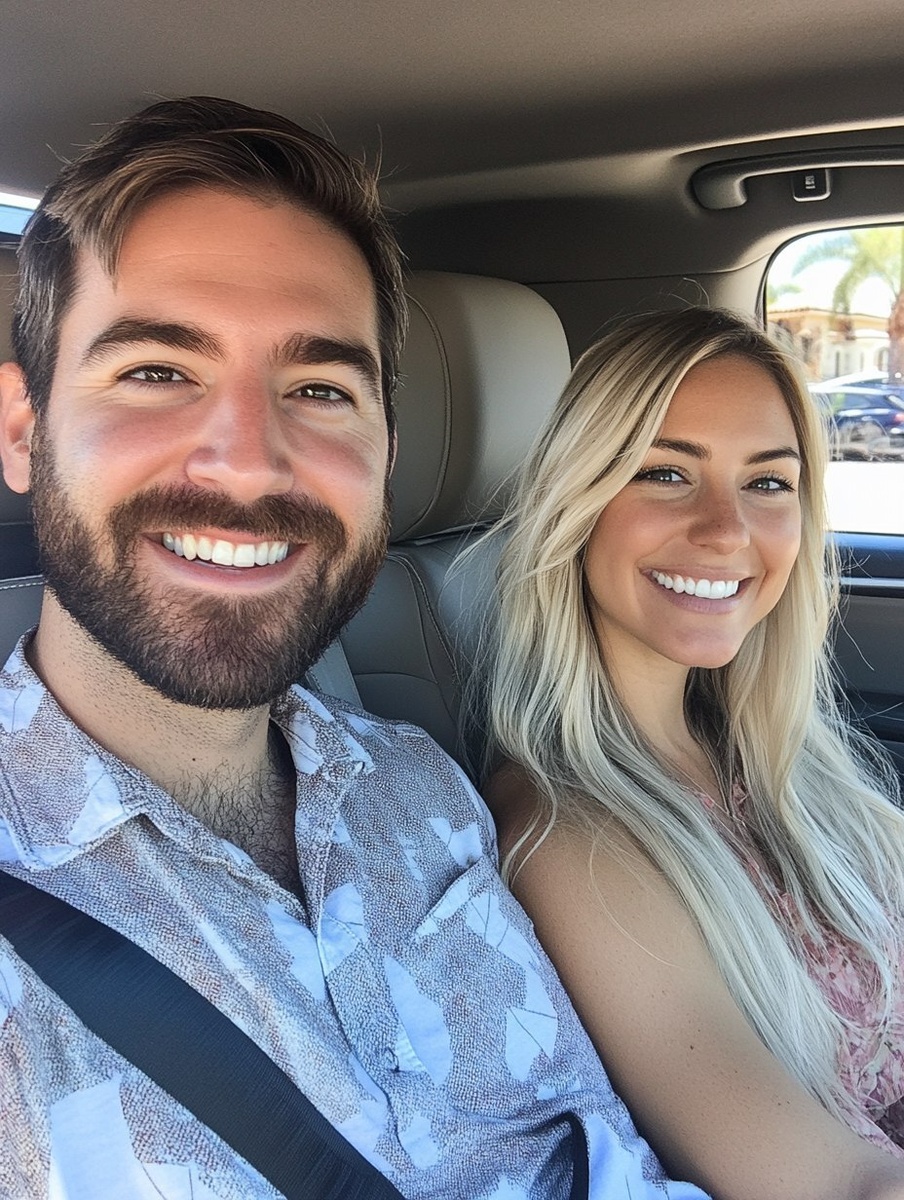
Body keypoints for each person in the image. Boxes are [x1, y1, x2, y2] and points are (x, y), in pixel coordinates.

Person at [0, 96, 712, 1200]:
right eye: (157, 372)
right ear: (22, 429)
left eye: (320, 390)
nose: (248, 461)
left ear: (385, 450)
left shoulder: (421, 783)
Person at [483, 306, 904, 1200]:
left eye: (768, 482)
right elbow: (838, 1186)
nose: (725, 530)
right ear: (578, 502)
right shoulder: (566, 839)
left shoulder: (775, 765)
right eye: (666, 473)